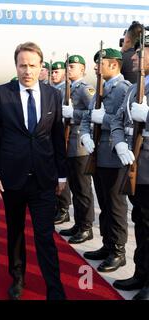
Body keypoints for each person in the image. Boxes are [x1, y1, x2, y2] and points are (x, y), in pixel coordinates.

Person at [0, 42, 67, 300]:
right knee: (16, 231)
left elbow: (57, 138)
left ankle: (54, 288)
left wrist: (62, 174)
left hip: (44, 179)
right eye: (23, 65)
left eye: (32, 65)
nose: (27, 71)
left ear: (41, 67)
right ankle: (17, 277)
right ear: (16, 66)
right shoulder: (0, 94)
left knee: (45, 235)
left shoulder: (53, 95)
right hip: (12, 179)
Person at [80, 48, 131, 272]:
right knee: (104, 204)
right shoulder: (100, 88)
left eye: (100, 64)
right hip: (97, 155)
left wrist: (106, 120)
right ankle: (107, 244)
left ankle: (118, 251)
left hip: (114, 155)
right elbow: (87, 116)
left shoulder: (123, 90)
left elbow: (126, 121)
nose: (95, 68)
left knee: (116, 206)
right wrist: (84, 135)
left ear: (113, 65)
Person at [111, 36, 149, 300]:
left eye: (140, 52)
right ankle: (141, 274)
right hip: (134, 164)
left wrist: (146, 116)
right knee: (141, 222)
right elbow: (115, 119)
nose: (133, 57)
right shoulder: (133, 87)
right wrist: (120, 145)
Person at [59, 54, 96, 244]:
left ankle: (86, 227)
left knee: (82, 189)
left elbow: (94, 112)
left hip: (80, 145)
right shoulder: (68, 87)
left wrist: (73, 113)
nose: (69, 69)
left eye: (72, 66)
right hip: (68, 143)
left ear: (82, 69)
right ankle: (78, 223)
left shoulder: (85, 89)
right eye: (68, 66)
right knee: (74, 186)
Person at [50, 61, 72, 225]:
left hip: (74, 142)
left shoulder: (79, 89)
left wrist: (74, 114)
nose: (53, 74)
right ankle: (61, 208)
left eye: (56, 72)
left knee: (80, 188)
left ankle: (66, 211)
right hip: (57, 139)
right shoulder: (54, 91)